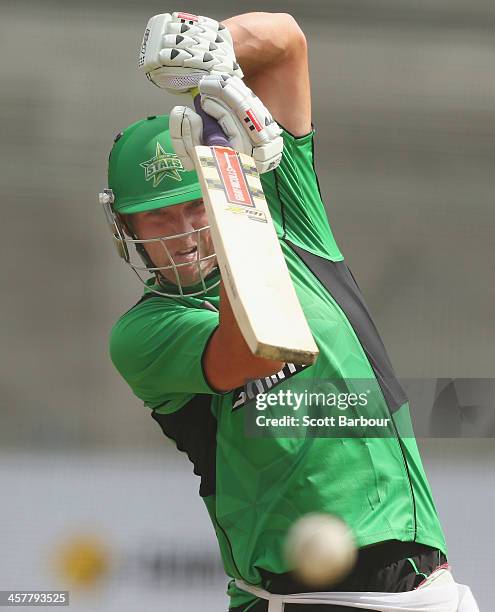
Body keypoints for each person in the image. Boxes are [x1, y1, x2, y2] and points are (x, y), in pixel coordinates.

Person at [101, 12, 479, 612]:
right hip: (298, 600)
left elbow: (285, 43)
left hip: (430, 590)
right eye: (157, 218)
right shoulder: (144, 334)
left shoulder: (290, 220)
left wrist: (214, 54)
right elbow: (253, 348)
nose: (184, 233)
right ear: (126, 231)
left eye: (193, 205)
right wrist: (233, 182)